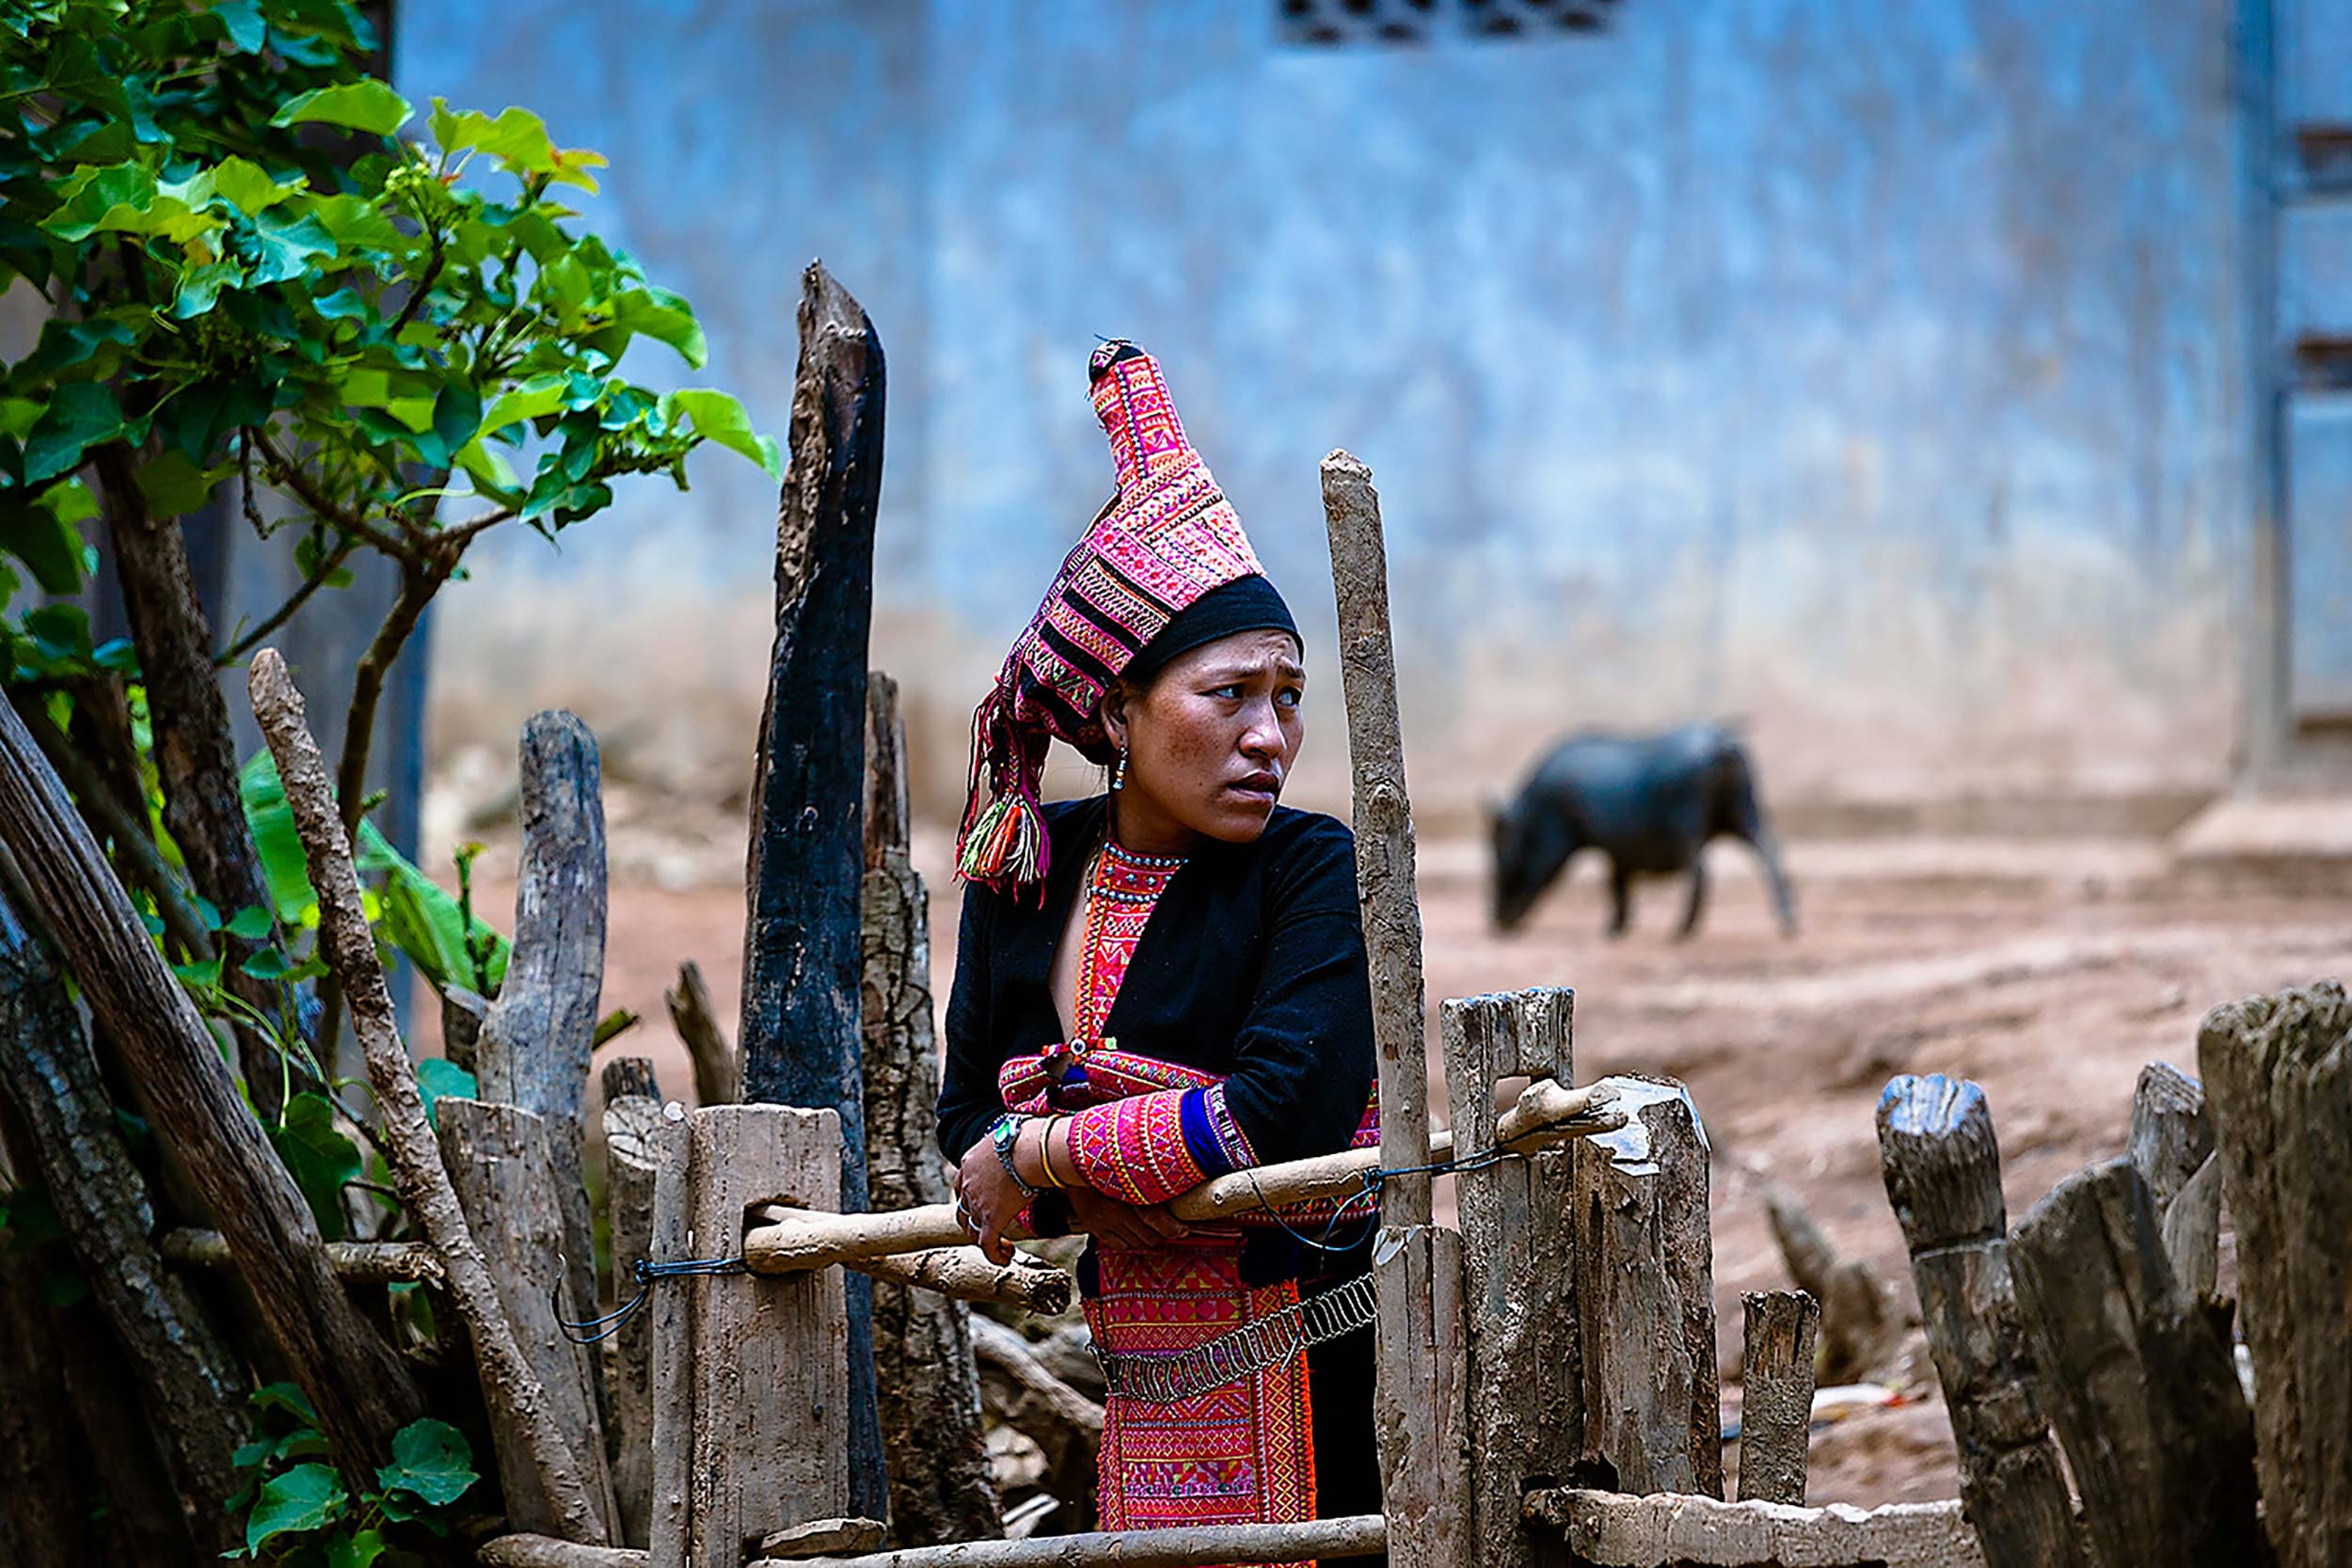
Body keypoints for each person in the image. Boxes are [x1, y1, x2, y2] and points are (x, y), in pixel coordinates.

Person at [937, 341, 1383, 1540]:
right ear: (1118, 710)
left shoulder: (1312, 865)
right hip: (1145, 1379)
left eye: (1287, 695)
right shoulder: (1022, 875)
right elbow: (957, 1136)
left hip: (1324, 1366)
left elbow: (1277, 1117)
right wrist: (1113, 1149)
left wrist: (1044, 1149)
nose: (1268, 736)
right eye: (1226, 692)